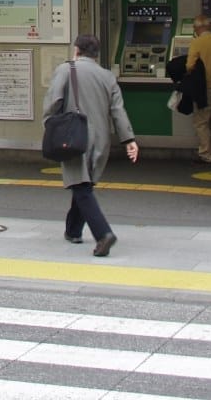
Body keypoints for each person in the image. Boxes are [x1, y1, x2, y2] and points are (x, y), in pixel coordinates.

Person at [42, 33, 138, 256]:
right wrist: (129, 140)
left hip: (74, 135)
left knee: (81, 186)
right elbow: (118, 110)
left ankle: (103, 233)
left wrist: (49, 125)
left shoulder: (66, 69)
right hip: (101, 138)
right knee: (84, 184)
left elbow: (53, 101)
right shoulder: (107, 76)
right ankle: (73, 230)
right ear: (96, 54)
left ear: (76, 50)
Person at [185, 13, 211, 165]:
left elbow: (189, 66)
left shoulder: (197, 43)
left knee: (201, 122)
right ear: (210, 27)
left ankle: (206, 154)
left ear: (197, 28)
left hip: (204, 89)